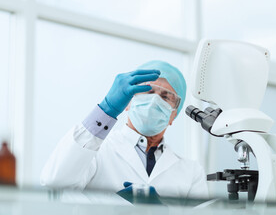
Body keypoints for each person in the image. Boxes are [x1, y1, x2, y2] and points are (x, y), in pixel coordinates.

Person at [40, 60, 208, 202]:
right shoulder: (96, 149)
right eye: (147, 91)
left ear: (173, 116)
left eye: (165, 97)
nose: (154, 100)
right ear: (128, 101)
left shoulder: (191, 172)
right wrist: (107, 109)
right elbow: (55, 181)